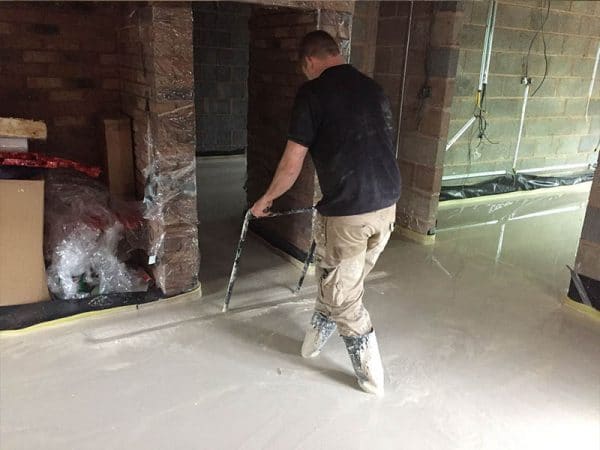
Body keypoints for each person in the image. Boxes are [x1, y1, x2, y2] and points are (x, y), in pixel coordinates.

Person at [250, 30, 401, 396]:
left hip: (350, 214)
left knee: (344, 296)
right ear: (337, 53)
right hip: (387, 206)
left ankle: (371, 376)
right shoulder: (372, 88)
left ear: (309, 62)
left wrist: (264, 200)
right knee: (340, 280)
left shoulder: (312, 93)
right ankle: (314, 341)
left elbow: (291, 164)